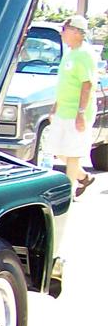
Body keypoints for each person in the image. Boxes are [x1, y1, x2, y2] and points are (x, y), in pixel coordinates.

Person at [47, 14, 99, 198]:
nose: (62, 33)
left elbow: (87, 85)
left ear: (76, 32)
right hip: (63, 110)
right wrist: (56, 105)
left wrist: (81, 113)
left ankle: (68, 193)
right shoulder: (70, 53)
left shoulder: (85, 54)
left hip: (77, 113)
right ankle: (84, 177)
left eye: (65, 30)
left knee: (73, 153)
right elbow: (65, 83)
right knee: (58, 151)